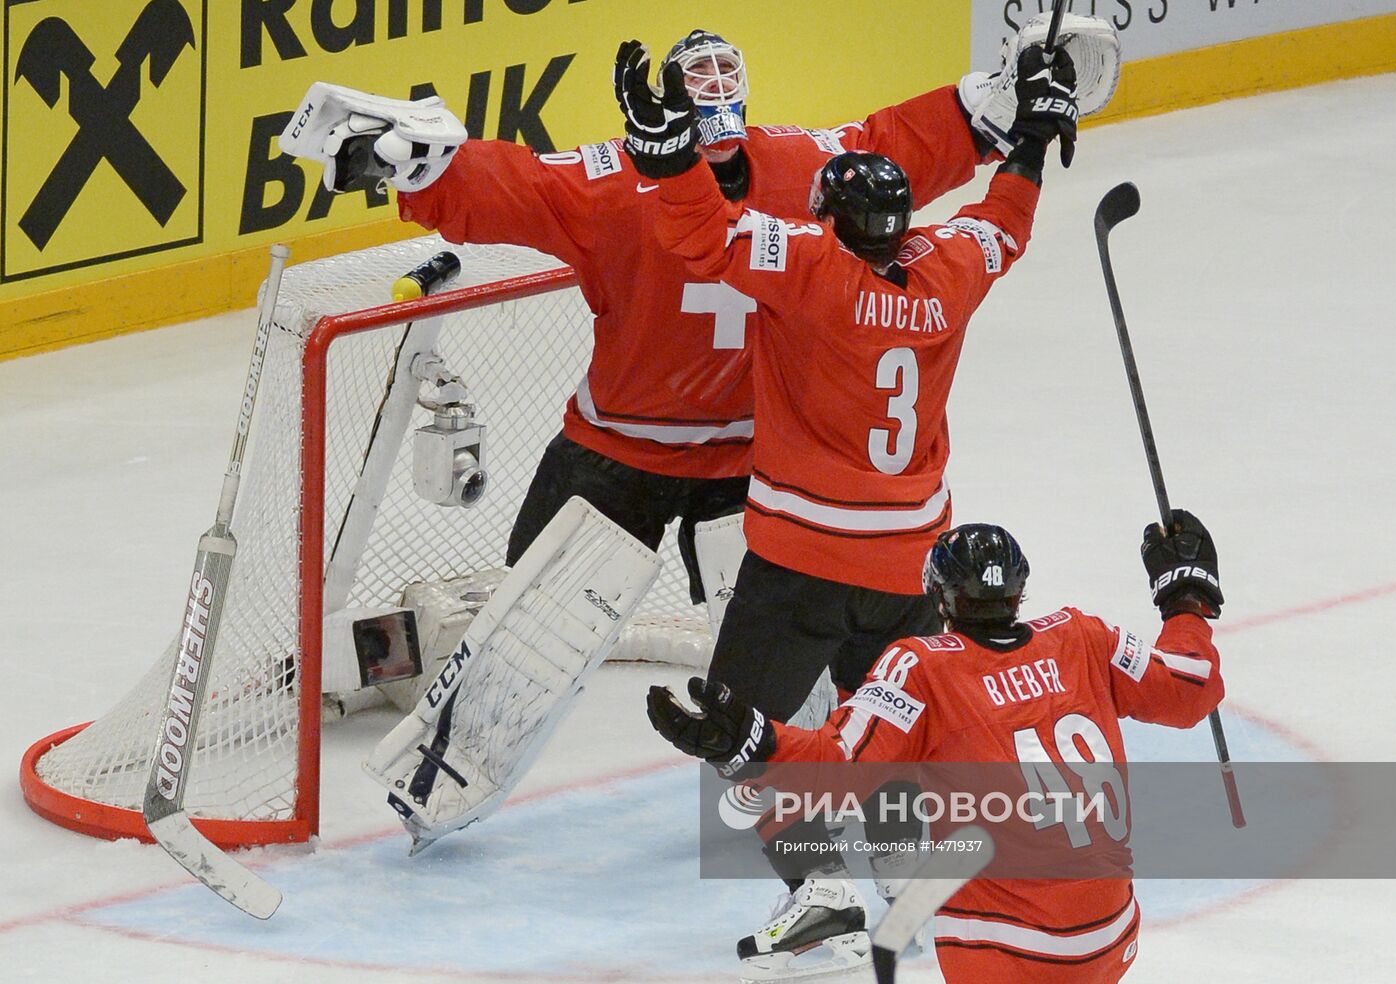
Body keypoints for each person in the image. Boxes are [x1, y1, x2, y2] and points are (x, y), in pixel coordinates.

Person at [282, 27, 1039, 632]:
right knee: (543, 634)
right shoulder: (804, 169)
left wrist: (422, 170)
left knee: (533, 638)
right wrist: (995, 113)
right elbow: (895, 145)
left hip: (704, 460)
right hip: (715, 459)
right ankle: (807, 769)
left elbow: (522, 185)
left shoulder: (619, 183)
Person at [617, 38, 1079, 977]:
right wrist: (1031, 138)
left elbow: (703, 231)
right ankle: (926, 879)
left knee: (740, 734)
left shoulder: (810, 270)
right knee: (897, 734)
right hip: (915, 567)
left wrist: (665, 151)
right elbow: (1005, 221)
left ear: (829, 220)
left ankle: (822, 899)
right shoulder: (948, 267)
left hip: (801, 565)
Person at [648, 511, 1227, 983]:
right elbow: (1189, 688)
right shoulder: (1083, 635)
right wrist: (1187, 597)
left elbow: (838, 770)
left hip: (1003, 947)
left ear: (940, 598)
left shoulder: (919, 666)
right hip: (1112, 935)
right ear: (1020, 589)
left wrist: (752, 740)